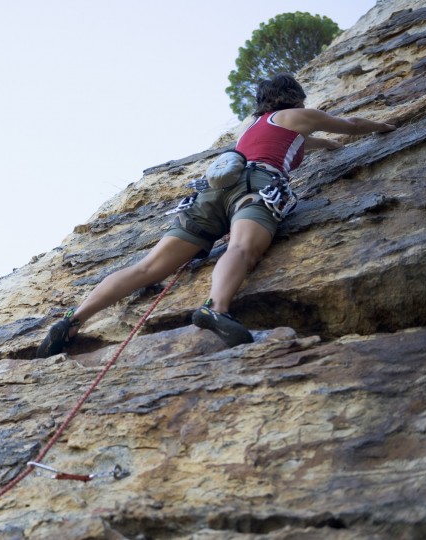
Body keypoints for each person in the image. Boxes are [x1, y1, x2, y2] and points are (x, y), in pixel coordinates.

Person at [36, 73, 396, 357]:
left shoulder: (251, 129)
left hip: (212, 188)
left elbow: (304, 142)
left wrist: (326, 145)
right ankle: (216, 309)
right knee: (241, 248)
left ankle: (73, 320)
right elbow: (350, 123)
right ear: (296, 96)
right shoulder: (299, 115)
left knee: (148, 267)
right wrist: (383, 127)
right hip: (258, 183)